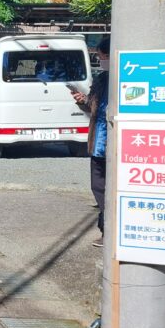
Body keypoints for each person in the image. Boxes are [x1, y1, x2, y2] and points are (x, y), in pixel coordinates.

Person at [71, 39, 110, 247]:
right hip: (98, 144)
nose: (100, 60)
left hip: (117, 147)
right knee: (99, 188)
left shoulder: (126, 78)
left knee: (111, 191)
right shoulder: (102, 79)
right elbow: (92, 106)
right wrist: (81, 99)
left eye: (103, 56)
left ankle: (109, 232)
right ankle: (106, 230)